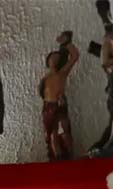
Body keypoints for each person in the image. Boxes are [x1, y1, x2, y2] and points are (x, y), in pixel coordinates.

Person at [40, 31, 79, 161]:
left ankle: (69, 153)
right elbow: (42, 92)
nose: (55, 59)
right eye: (53, 57)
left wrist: (67, 43)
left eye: (57, 58)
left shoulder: (62, 73)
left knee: (65, 130)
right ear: (48, 61)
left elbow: (74, 56)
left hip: (59, 104)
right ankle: (56, 157)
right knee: (52, 133)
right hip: (48, 105)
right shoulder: (46, 78)